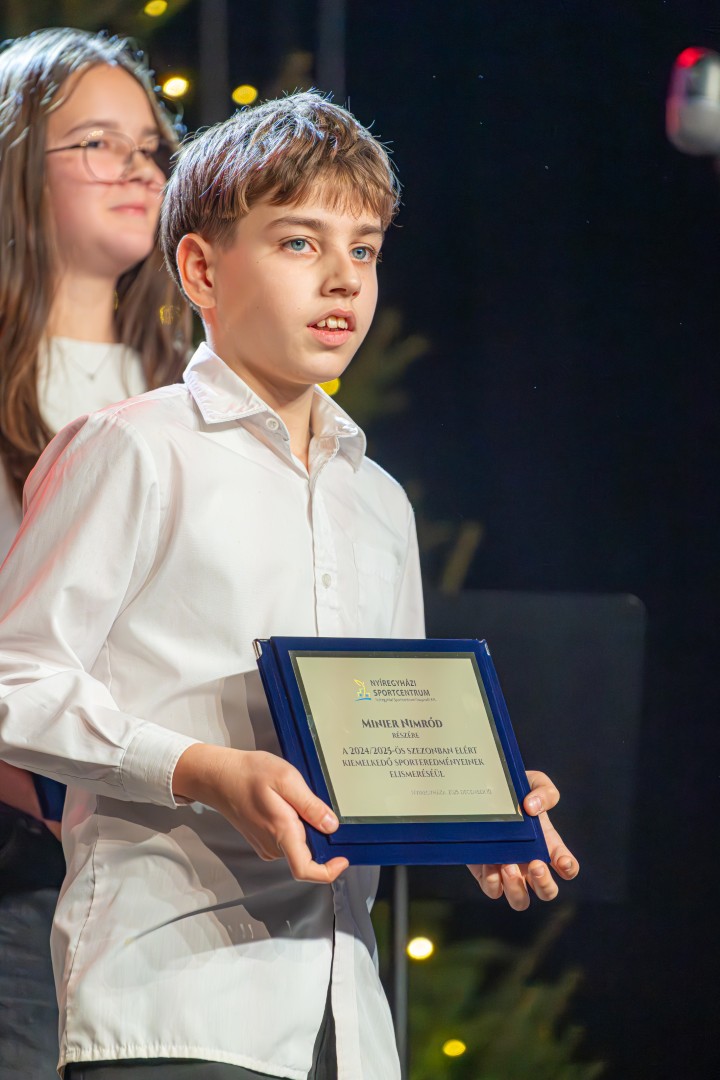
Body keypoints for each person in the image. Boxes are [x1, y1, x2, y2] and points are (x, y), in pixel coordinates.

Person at [0, 91, 578, 1079]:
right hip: (175, 1002)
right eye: (300, 243)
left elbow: (385, 734)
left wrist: (472, 808)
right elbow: (15, 681)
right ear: (201, 269)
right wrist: (203, 769)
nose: (343, 278)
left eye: (365, 249)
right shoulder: (135, 449)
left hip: (346, 1023)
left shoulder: (378, 500)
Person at [0, 27, 189, 1077]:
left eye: (151, 146)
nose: (138, 168)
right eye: (97, 143)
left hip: (165, 871)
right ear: (16, 167)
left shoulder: (190, 388)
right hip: (22, 865)